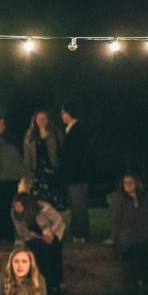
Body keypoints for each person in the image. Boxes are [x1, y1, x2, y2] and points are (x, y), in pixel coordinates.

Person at [108, 174, 148, 291]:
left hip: (144, 234)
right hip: (128, 236)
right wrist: (113, 238)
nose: (128, 185)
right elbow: (116, 220)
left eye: (131, 182)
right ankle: (140, 284)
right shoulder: (119, 199)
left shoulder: (146, 198)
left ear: (137, 183)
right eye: (126, 182)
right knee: (137, 250)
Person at [11, 193, 65, 295]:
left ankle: (56, 283)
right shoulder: (15, 214)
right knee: (42, 251)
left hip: (50, 235)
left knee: (54, 248)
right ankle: (49, 286)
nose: (17, 209)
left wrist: (51, 234)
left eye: (19, 206)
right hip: (33, 239)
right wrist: (39, 237)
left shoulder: (42, 208)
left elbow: (58, 221)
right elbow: (23, 232)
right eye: (15, 206)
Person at [23, 109, 66, 211]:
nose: (42, 120)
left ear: (48, 120)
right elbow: (27, 156)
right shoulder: (30, 135)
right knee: (39, 204)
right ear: (35, 120)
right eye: (39, 118)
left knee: (53, 204)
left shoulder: (55, 132)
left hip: (53, 172)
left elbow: (63, 150)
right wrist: (28, 175)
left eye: (44, 118)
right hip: (37, 173)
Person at [60, 102, 91, 242]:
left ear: (67, 113)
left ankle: (81, 234)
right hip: (75, 176)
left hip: (77, 176)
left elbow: (77, 155)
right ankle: (78, 233)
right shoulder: (73, 130)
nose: (62, 116)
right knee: (76, 206)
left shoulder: (77, 131)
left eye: (63, 113)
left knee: (78, 206)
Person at [0, 117, 22, 243]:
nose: (2, 126)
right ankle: (2, 235)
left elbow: (17, 159)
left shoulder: (11, 139)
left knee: (11, 208)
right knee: (0, 208)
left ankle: (10, 235)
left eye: (3, 124)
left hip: (12, 179)